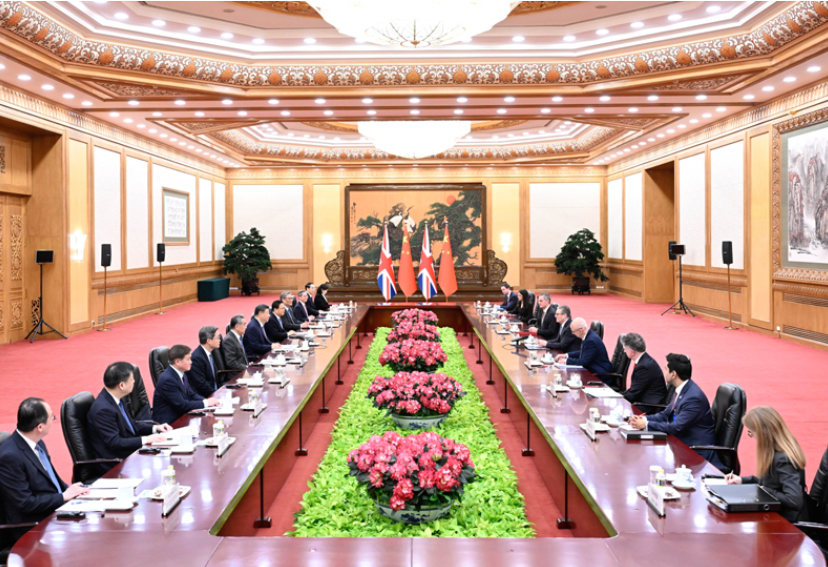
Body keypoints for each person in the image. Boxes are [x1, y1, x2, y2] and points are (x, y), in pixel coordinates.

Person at [0, 398, 89, 545]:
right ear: (40, 427)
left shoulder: (37, 442)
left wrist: (72, 490)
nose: (53, 421)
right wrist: (63, 497)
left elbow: (52, 479)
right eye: (51, 418)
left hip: (53, 510)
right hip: (33, 526)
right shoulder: (10, 457)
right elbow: (25, 503)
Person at [628, 354, 724, 470]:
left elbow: (676, 428)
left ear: (673, 374)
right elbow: (665, 414)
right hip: (681, 445)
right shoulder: (682, 389)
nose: (664, 372)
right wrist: (643, 419)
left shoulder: (693, 398)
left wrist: (646, 425)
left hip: (696, 454)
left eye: (666, 369)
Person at [726, 407, 808, 523]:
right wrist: (742, 480)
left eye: (751, 432)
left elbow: (794, 501)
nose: (752, 437)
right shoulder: (776, 452)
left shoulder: (783, 459)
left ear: (762, 434)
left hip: (785, 523)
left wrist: (764, 490)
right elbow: (771, 484)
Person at [87, 362, 171, 471]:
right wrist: (146, 439)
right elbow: (115, 442)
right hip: (116, 463)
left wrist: (155, 428)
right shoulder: (103, 410)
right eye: (132, 380)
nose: (134, 382)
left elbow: (130, 425)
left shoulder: (116, 397)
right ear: (122, 385)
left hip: (129, 453)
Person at [152, 345, 221, 425]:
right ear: (177, 362)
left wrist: (206, 401)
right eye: (188, 359)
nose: (191, 362)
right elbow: (182, 405)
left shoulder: (181, 373)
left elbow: (190, 394)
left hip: (181, 416)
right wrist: (206, 404)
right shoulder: (168, 380)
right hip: (169, 423)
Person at [620, 333, 667, 407]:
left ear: (632, 352)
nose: (624, 351)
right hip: (644, 398)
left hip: (649, 406)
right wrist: (616, 395)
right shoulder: (645, 360)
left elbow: (633, 395)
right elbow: (634, 390)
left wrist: (614, 399)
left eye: (625, 349)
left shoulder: (643, 368)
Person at [188, 326, 222, 398]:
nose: (220, 340)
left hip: (214, 391)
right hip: (204, 397)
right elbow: (201, 385)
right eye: (217, 338)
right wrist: (217, 395)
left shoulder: (211, 352)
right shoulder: (197, 358)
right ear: (209, 341)